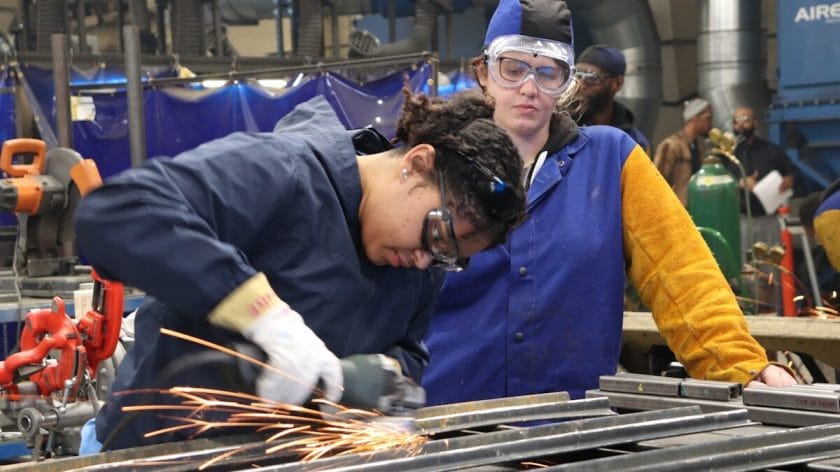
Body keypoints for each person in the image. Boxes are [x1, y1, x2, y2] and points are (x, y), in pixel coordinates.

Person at [73, 90, 527, 450]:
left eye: (449, 257)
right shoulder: (282, 171)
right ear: (416, 163)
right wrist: (264, 317)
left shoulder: (420, 261)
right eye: (437, 236)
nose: (427, 260)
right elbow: (117, 214)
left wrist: (368, 381)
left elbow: (408, 352)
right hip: (153, 450)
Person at [421, 0, 795, 406]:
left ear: (567, 83)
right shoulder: (433, 162)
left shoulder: (613, 160)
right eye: (512, 69)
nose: (528, 87)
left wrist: (743, 367)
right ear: (483, 72)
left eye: (548, 73)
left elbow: (681, 272)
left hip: (573, 426)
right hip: (444, 423)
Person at [727, 106, 796, 257]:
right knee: (745, 265)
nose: (741, 125)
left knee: (771, 263)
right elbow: (720, 181)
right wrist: (741, 182)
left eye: (745, 120)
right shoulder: (727, 155)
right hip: (741, 220)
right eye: (736, 121)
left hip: (769, 219)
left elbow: (792, 173)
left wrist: (788, 180)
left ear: (755, 123)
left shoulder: (772, 151)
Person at [575, 44, 651, 153]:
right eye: (577, 75)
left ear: (617, 84)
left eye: (592, 77)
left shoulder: (633, 143)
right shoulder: (561, 130)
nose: (581, 85)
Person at [652, 97, 713, 206]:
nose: (710, 123)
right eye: (708, 118)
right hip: (675, 209)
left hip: (695, 208)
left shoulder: (699, 146)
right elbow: (656, 181)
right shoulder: (671, 145)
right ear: (694, 118)